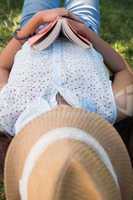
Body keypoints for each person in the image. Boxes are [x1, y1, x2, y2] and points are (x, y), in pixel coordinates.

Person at [0, 0, 132, 136]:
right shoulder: (105, 112)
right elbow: (123, 69)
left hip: (34, 30)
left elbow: (2, 66)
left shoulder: (9, 114)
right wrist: (85, 31)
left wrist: (36, 20)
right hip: (82, 26)